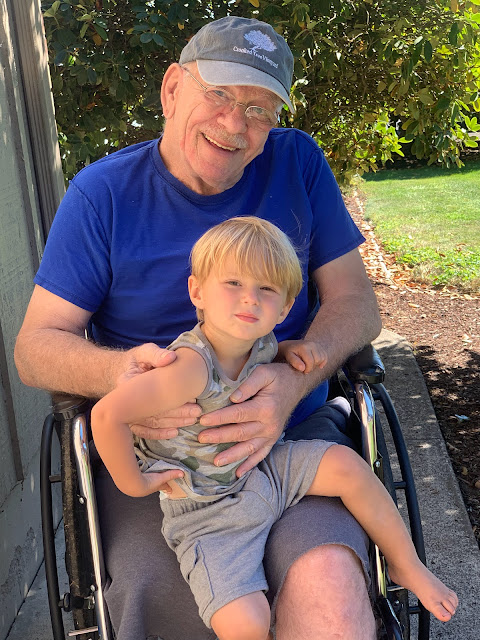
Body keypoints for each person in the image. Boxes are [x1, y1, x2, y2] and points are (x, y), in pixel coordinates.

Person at [15, 14, 388, 640]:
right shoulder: (102, 195)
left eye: (260, 109)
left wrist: (296, 380)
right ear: (171, 89)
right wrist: (121, 375)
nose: (235, 124)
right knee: (159, 598)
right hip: (166, 463)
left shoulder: (297, 163)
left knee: (330, 587)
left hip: (292, 439)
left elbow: (356, 301)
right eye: (218, 94)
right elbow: (35, 347)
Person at [91, 216, 457, 640]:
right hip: (207, 506)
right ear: (197, 292)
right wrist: (133, 483)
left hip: (261, 469)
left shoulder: (260, 341)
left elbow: (265, 350)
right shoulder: (189, 369)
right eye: (233, 283)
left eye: (266, 289)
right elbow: (106, 415)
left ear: (284, 308)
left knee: (346, 465)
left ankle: (405, 564)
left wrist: (289, 350)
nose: (250, 299)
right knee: (246, 623)